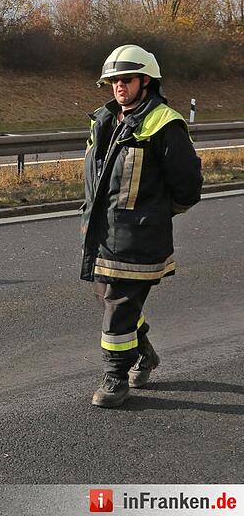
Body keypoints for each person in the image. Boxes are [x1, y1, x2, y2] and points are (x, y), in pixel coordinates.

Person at [80, 44, 203, 408]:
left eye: (126, 79)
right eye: (113, 80)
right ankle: (144, 351)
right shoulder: (103, 121)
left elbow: (187, 187)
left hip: (139, 236)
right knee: (108, 296)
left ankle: (116, 376)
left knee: (118, 304)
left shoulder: (165, 124)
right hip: (101, 232)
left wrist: (154, 216)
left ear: (145, 81)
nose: (119, 86)